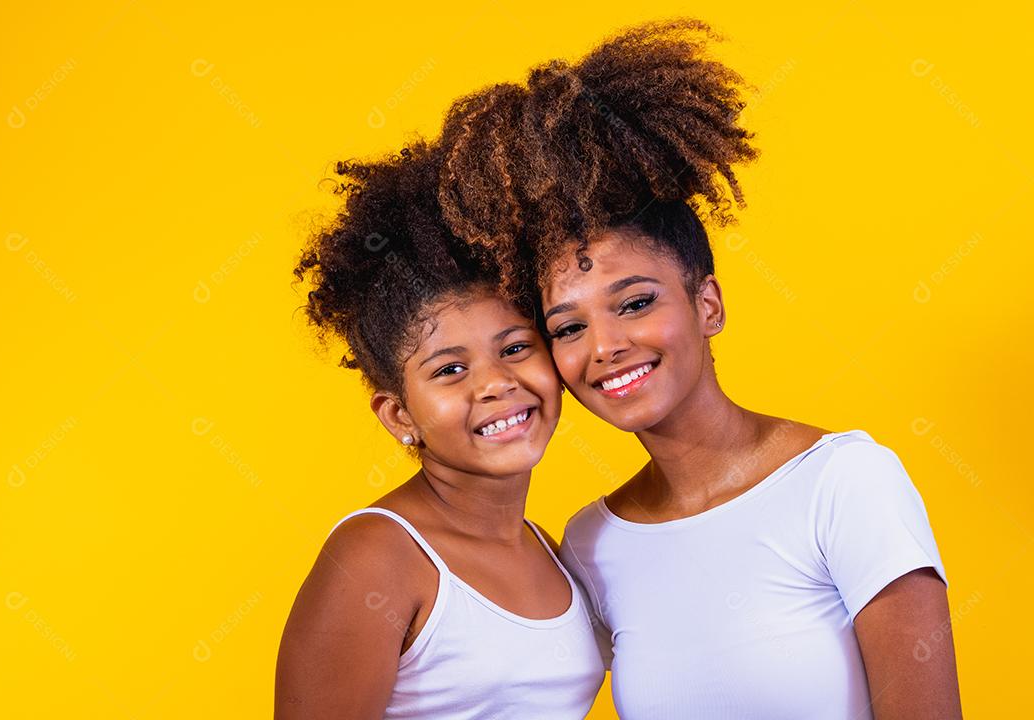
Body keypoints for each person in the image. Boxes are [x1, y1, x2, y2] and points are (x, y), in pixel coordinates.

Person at [434, 19, 962, 720]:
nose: (605, 345)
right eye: (568, 327)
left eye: (636, 302)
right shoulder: (592, 542)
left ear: (707, 303)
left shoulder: (844, 484)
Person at [276, 142, 605, 719]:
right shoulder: (377, 556)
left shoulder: (550, 549)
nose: (496, 383)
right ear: (399, 415)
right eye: (450, 370)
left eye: (515, 348)